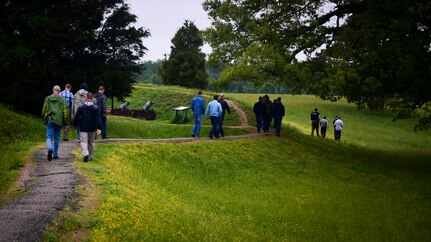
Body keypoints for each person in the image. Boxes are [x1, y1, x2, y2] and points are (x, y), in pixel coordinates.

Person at [74, 92, 102, 162]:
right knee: (91, 142)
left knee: (83, 141)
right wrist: (99, 128)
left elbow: (77, 117)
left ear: (86, 98)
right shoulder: (96, 108)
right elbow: (98, 118)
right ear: (92, 99)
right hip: (92, 128)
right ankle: (90, 156)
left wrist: (76, 125)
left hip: (83, 127)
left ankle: (85, 154)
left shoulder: (81, 107)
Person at [42, 85, 68, 161]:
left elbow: (44, 109)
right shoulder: (62, 100)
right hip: (58, 121)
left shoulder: (48, 98)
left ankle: (50, 148)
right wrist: (65, 123)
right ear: (59, 91)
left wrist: (44, 117)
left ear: (53, 90)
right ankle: (55, 154)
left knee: (49, 137)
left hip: (50, 119)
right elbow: (65, 112)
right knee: (57, 137)